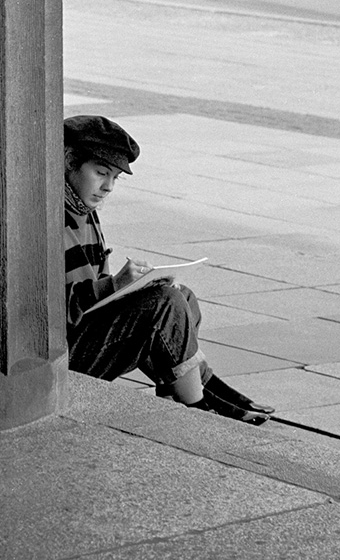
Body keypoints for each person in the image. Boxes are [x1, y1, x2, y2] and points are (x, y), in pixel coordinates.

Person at [64, 115, 275, 425]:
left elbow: (91, 289)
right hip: (62, 355)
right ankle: (197, 406)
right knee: (164, 305)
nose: (108, 187)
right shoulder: (46, 214)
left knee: (180, 296)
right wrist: (115, 286)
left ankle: (191, 387)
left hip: (83, 334)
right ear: (70, 161)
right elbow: (46, 309)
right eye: (101, 173)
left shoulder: (83, 207)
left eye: (115, 178)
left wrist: (132, 286)